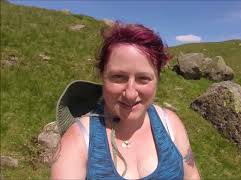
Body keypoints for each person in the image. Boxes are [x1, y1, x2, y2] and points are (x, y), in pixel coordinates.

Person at [51, 21, 200, 179]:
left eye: (143, 78)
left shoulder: (170, 124)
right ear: (102, 76)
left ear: (157, 79)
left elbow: (191, 176)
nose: (130, 94)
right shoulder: (78, 140)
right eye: (118, 77)